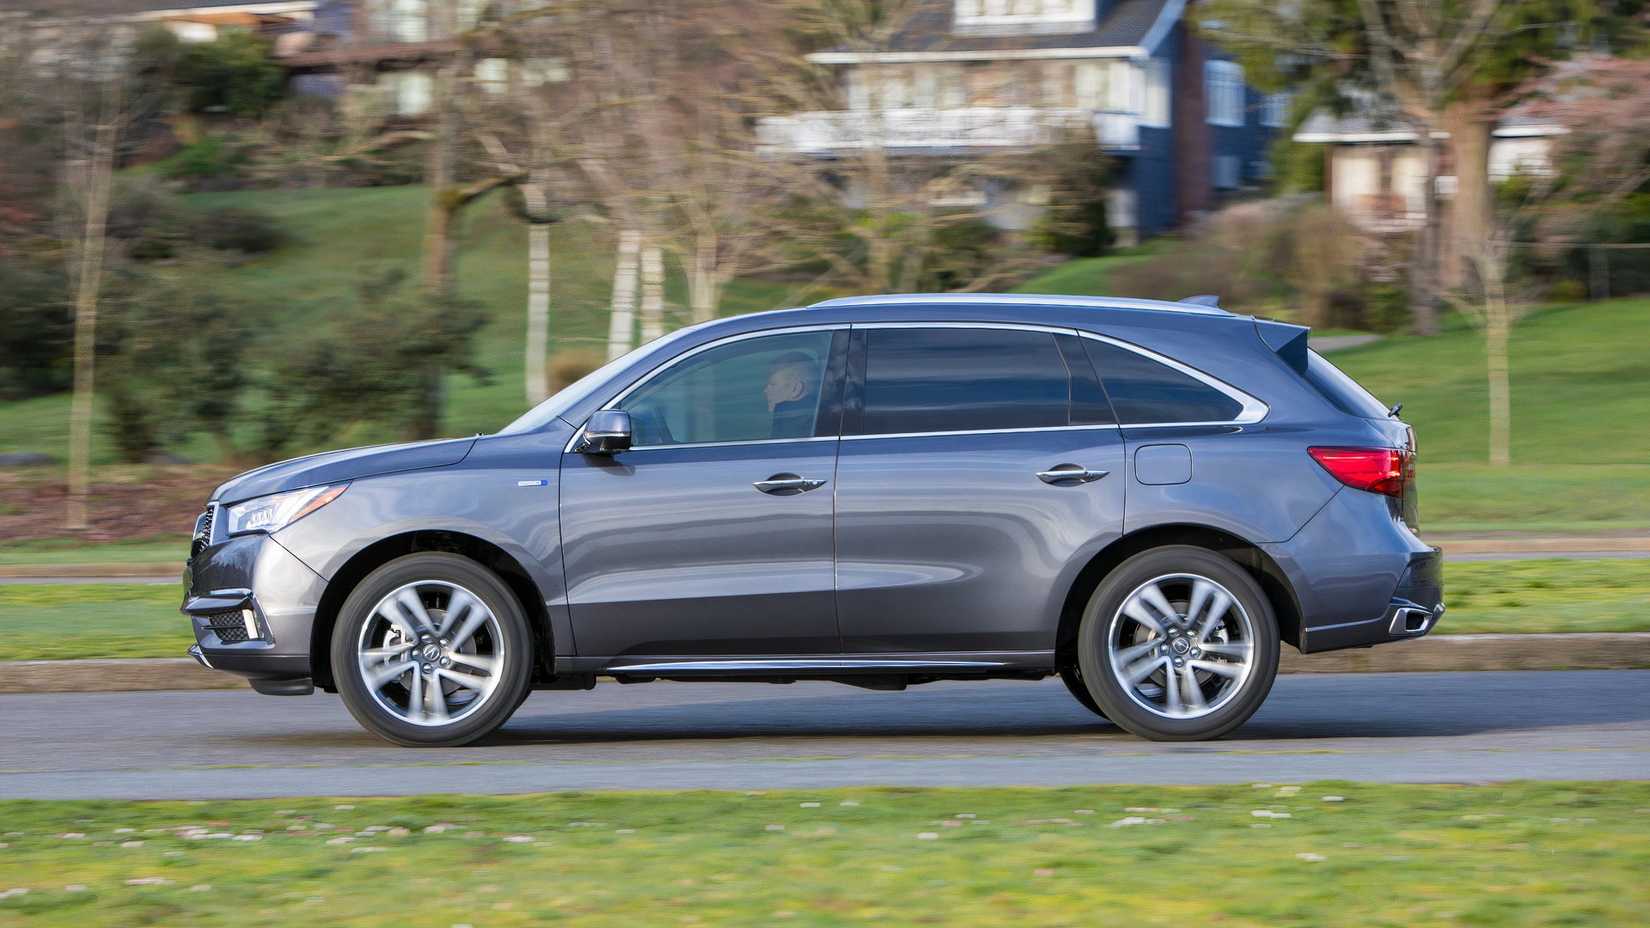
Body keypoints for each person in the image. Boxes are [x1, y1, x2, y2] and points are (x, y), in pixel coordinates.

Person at [764, 351, 819, 439]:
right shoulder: (814, 418)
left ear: (796, 389)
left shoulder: (790, 426)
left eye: (773, 384)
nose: (765, 390)